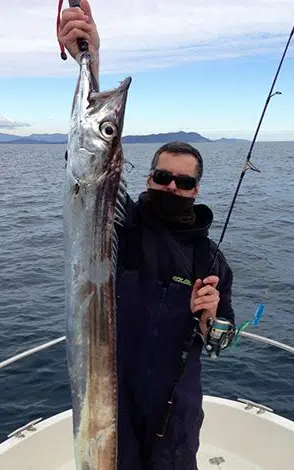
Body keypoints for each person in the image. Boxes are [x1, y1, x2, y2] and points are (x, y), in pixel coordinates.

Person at [59, 2, 235, 469]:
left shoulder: (210, 261)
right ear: (147, 178)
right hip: (110, 408)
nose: (170, 187)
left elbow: (222, 341)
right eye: (161, 177)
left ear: (196, 190)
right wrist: (89, 61)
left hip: (175, 421)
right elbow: (92, 183)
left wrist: (210, 319)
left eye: (182, 182)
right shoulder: (122, 225)